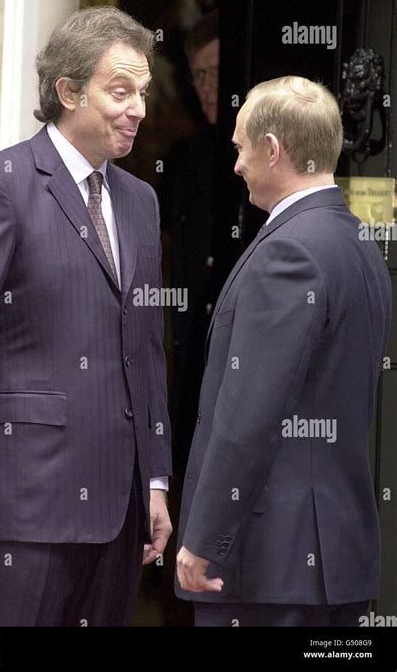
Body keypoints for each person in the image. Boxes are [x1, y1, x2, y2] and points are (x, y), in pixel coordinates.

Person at [0, 6, 172, 627]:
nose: (138, 107)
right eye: (120, 91)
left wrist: (158, 480)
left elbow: (144, 348)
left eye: (143, 91)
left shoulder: (141, 201)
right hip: (14, 509)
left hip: (118, 515)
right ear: (67, 91)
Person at [175, 76, 392, 627]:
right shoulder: (360, 246)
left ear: (273, 149)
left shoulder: (289, 251)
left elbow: (248, 416)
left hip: (269, 565)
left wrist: (204, 540)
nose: (237, 164)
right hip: (334, 561)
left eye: (242, 147)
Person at [161, 9, 221, 479]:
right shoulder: (185, 160)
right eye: (198, 74)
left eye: (216, 72)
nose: (207, 86)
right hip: (189, 357)